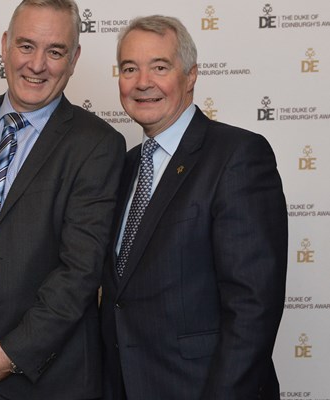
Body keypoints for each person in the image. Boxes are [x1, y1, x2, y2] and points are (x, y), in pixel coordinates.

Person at [0, 0, 125, 398]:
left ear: (74, 58)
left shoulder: (97, 144)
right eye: (26, 46)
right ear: (5, 45)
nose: (37, 64)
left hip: (42, 376)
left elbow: (80, 270)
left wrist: (11, 354)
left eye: (56, 51)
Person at [100, 15, 287, 400]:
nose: (142, 82)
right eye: (130, 68)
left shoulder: (237, 156)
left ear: (191, 76)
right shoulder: (124, 166)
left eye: (160, 67)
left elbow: (253, 308)